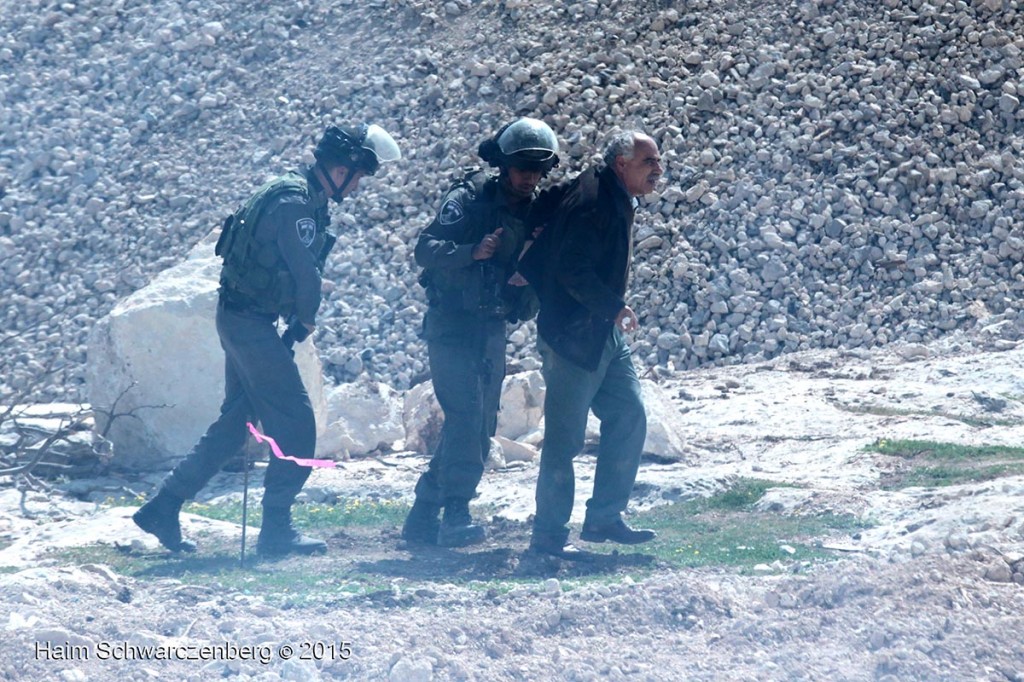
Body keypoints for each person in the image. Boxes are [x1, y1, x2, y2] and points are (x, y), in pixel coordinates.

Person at [133, 124, 400, 557]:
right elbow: (305, 275)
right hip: (251, 325)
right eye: (357, 177)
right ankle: (276, 529)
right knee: (296, 424)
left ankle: (163, 505)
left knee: (235, 425)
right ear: (339, 169)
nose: (357, 187)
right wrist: (305, 322)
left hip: (242, 317)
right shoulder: (296, 204)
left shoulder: (289, 191)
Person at [401, 117, 560, 548]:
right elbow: (425, 249)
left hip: (491, 326)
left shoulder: (536, 209)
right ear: (503, 165)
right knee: (466, 418)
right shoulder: (469, 198)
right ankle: (456, 511)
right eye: (522, 167)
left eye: (537, 170)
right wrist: (471, 251)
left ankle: (422, 512)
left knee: (480, 424)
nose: (530, 177)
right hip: (452, 326)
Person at [520, 130, 664, 559]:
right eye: (648, 162)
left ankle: (604, 517)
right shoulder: (593, 202)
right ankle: (547, 535)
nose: (658, 170)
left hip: (603, 331)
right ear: (622, 164)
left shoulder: (605, 188)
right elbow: (572, 268)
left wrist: (611, 315)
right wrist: (614, 306)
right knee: (565, 441)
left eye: (658, 161)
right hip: (572, 337)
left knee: (629, 413)